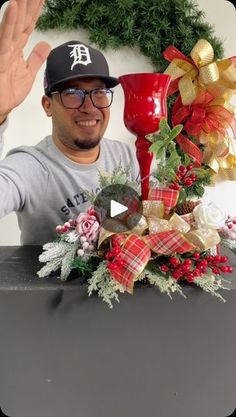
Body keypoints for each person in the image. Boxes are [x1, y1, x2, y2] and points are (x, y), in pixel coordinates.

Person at [0, 0, 139, 245]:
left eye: (98, 92)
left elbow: (156, 219)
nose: (89, 106)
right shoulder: (31, 167)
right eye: (72, 93)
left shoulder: (126, 157)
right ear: (48, 106)